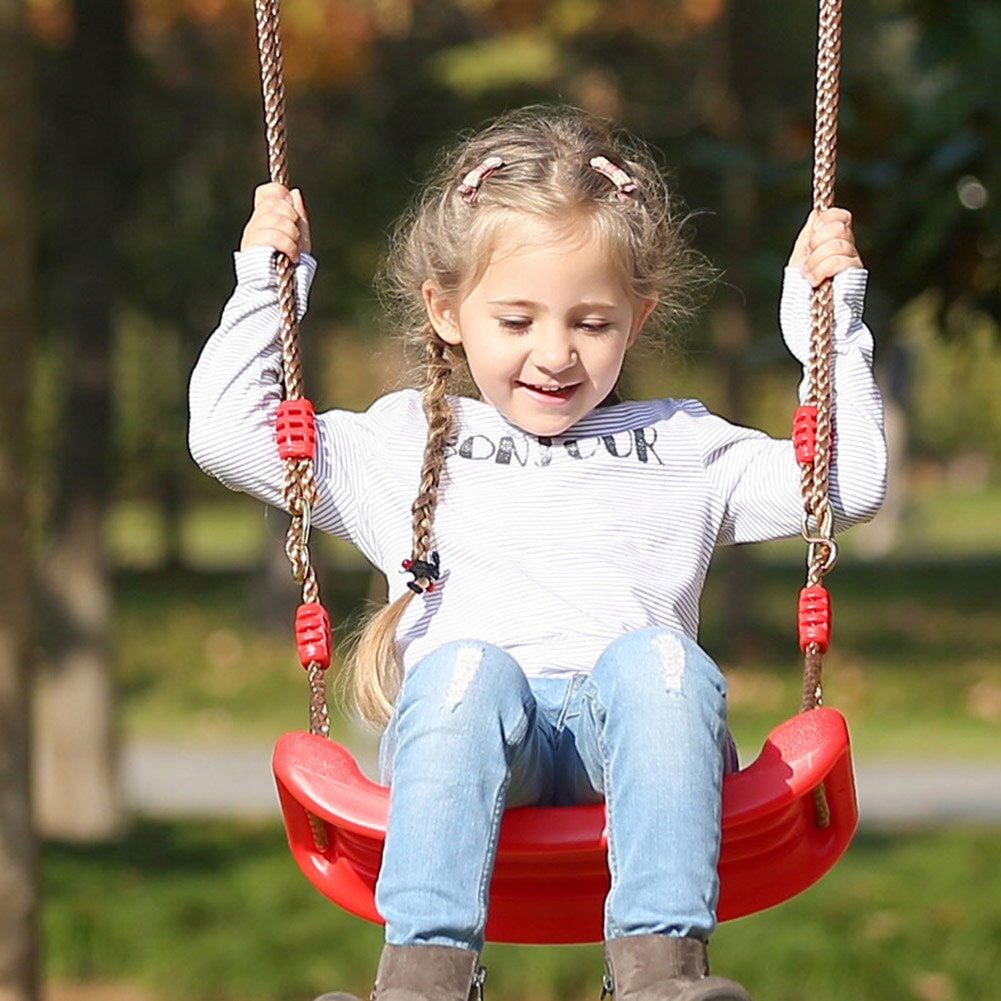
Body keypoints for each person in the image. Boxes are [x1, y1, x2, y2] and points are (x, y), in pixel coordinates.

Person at [188, 106, 886, 1001]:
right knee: (463, 670)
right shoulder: (399, 444)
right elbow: (224, 433)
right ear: (446, 310)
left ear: (637, 317)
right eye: (515, 320)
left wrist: (828, 322)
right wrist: (265, 285)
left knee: (658, 662)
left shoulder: (683, 444)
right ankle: (422, 981)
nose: (553, 354)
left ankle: (660, 975)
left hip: (636, 735)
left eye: (590, 322)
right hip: (470, 743)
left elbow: (847, 483)